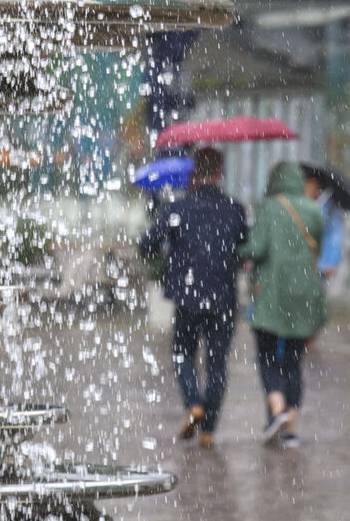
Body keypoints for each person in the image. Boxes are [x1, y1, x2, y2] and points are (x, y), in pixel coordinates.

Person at [140, 147, 248, 449]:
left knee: (182, 354)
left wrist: (171, 250)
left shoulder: (178, 209)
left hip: (187, 296)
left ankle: (193, 404)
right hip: (223, 297)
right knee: (217, 364)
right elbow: (243, 247)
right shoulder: (235, 209)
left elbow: (146, 245)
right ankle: (209, 430)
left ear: (193, 173)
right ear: (220, 173)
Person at [239, 161, 327, 448]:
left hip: (273, 294)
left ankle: (277, 410)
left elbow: (256, 249)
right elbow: (317, 249)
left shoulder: (270, 207)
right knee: (293, 361)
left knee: (266, 355)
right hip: (303, 293)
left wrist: (237, 249)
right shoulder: (314, 210)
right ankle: (290, 429)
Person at [303, 174, 344, 279]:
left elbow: (335, 236)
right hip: (304, 261)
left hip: (320, 264)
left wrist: (331, 262)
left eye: (311, 184)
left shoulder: (328, 208)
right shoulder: (305, 204)